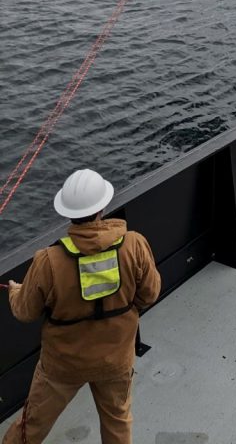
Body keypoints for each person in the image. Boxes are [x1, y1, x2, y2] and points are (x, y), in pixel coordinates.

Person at [3, 169, 161, 444]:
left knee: (32, 427)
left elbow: (25, 311)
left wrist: (16, 291)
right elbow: (150, 294)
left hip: (62, 366)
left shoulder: (48, 261)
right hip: (116, 359)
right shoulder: (134, 245)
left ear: (67, 212)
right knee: (118, 422)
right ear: (102, 207)